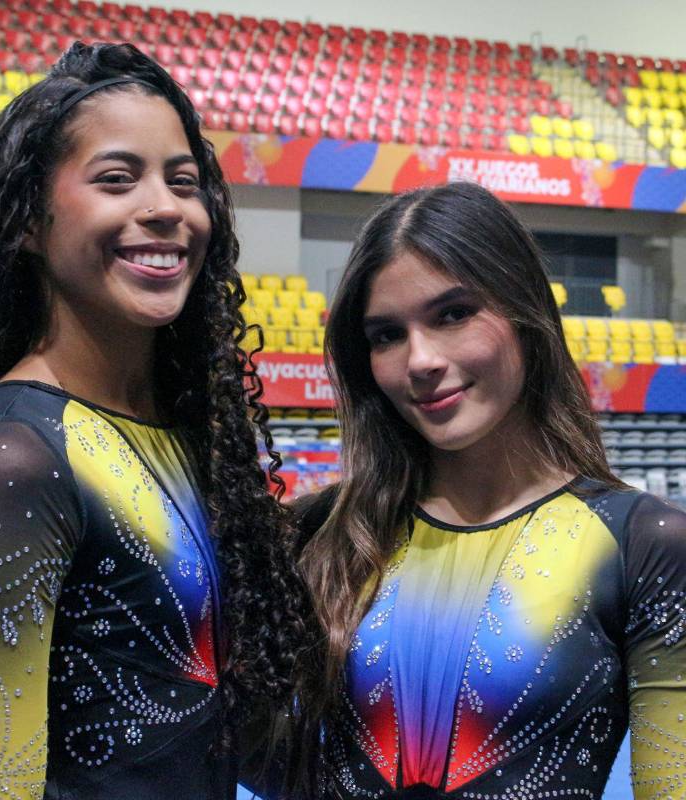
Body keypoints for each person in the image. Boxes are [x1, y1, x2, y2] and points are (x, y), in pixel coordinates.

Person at [0, 42, 313, 800]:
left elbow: (223, 727)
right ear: (28, 221)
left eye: (183, 182)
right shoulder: (12, 456)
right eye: (117, 179)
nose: (164, 207)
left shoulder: (191, 437)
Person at [294, 182, 686, 799]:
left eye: (453, 314)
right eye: (386, 335)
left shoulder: (642, 544)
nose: (419, 359)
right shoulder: (322, 530)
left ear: (525, 315)